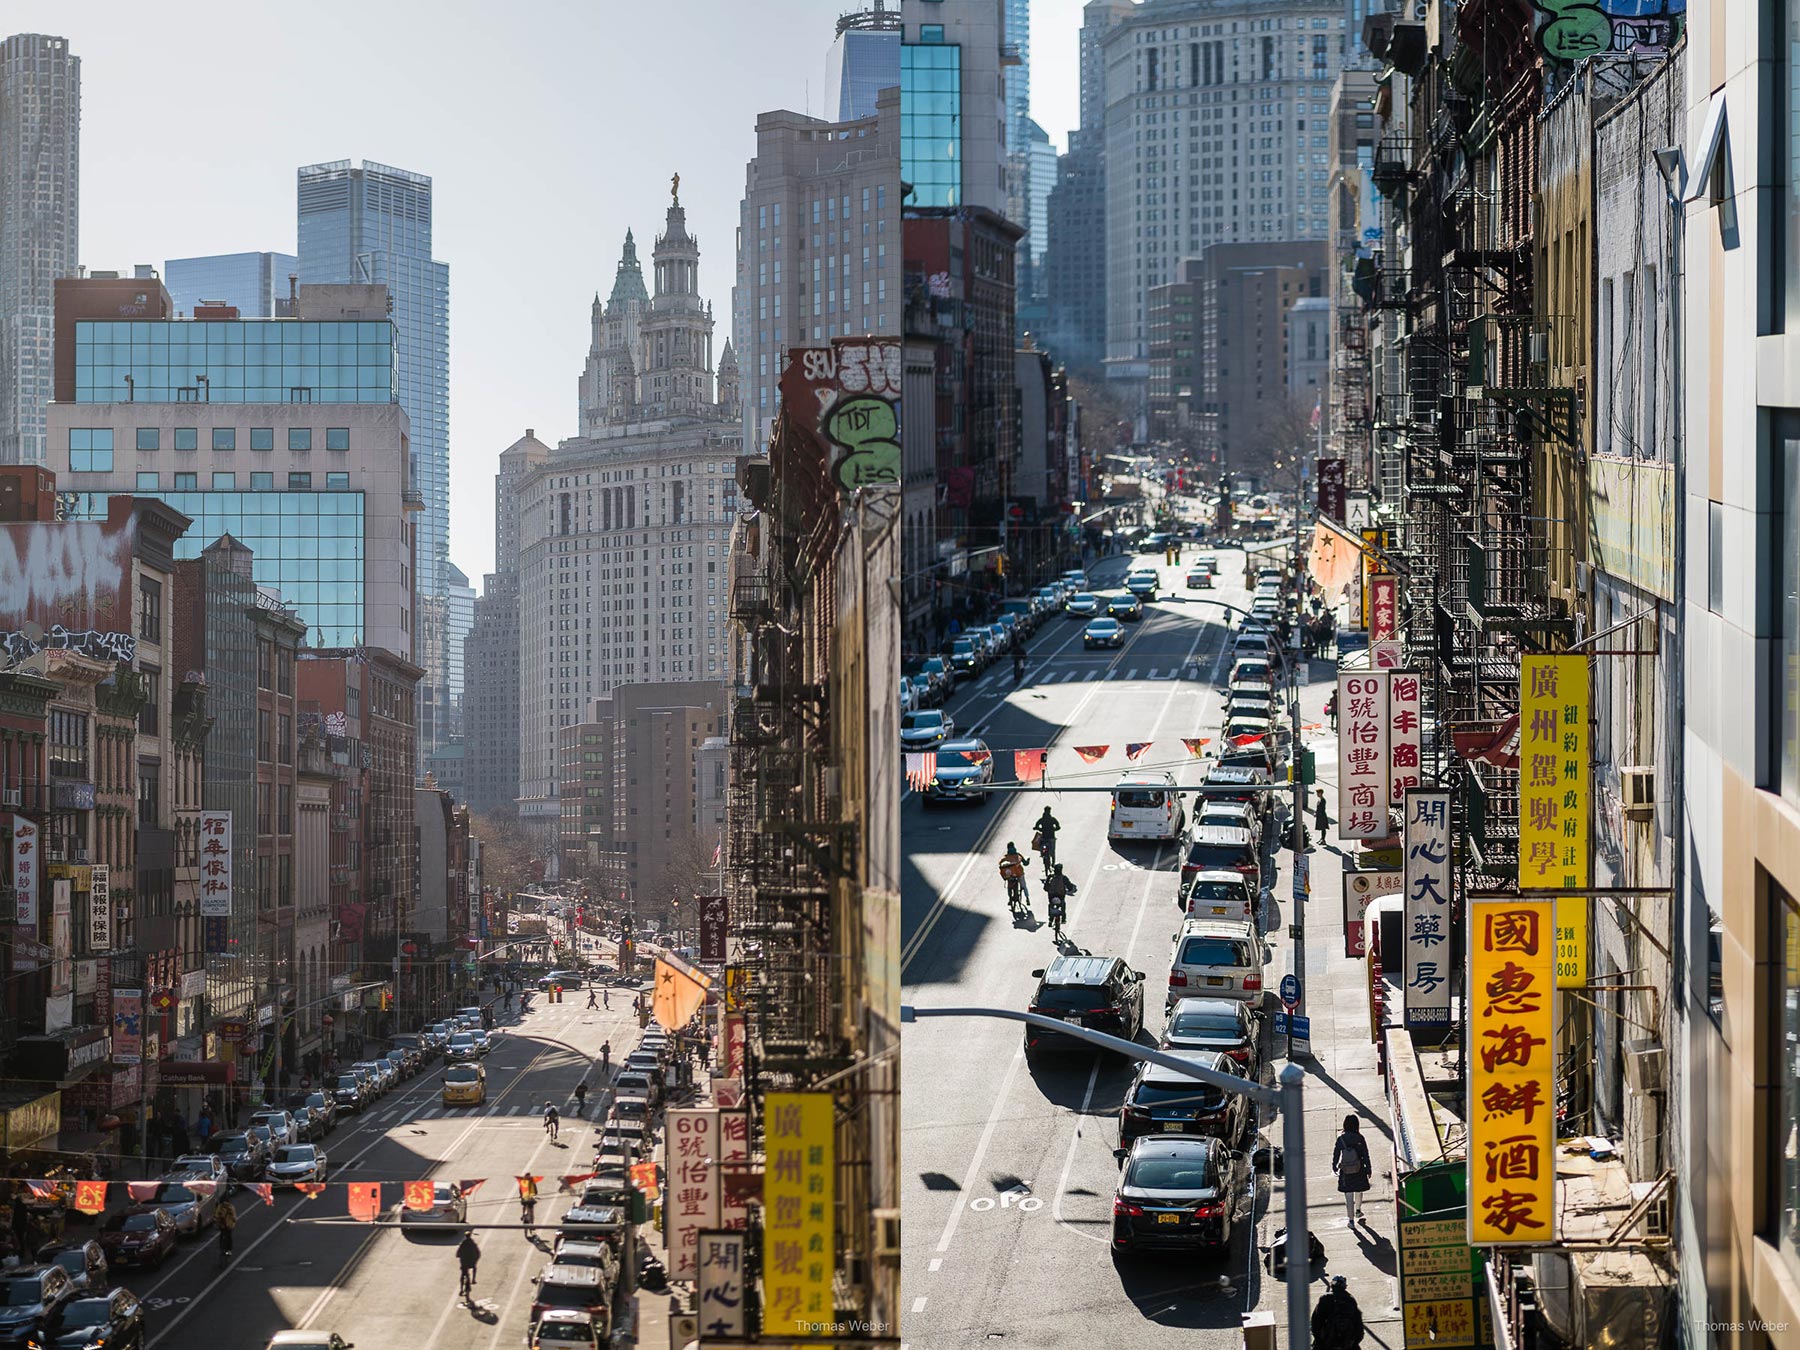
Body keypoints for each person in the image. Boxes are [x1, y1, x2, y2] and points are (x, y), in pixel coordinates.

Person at [1332, 1114, 1372, 1224]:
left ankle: (1351, 1221)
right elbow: (1365, 1154)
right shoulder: (1360, 1138)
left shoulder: (1341, 1139)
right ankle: (1358, 1210)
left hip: (1346, 1171)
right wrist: (1368, 1169)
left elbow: (1336, 1154)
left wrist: (1334, 1165)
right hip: (1359, 1169)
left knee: (1348, 1195)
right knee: (1359, 1190)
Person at [1311, 1275, 1365, 1349]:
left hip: (1327, 1340)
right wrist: (1355, 1342)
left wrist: (1318, 1339)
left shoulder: (1325, 1298)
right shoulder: (1350, 1300)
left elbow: (1316, 1321)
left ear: (1332, 1285)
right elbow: (1358, 1324)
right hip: (1346, 1341)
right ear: (1344, 1287)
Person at [1044, 865, 1076, 933]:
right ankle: (1063, 918)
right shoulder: (1064, 878)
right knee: (1062, 904)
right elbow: (1070, 887)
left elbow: (1045, 887)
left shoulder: (1050, 876)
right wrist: (1070, 889)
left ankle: (1050, 919)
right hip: (1060, 896)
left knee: (1051, 905)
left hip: (1051, 896)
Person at [998, 843, 1029, 911]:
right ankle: (1027, 898)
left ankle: (1010, 899)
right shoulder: (1018, 855)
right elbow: (1025, 863)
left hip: (1010, 875)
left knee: (1009, 887)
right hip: (1019, 874)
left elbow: (1000, 864)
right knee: (1023, 885)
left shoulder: (1005, 858)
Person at [1033, 806, 1060, 871]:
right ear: (1050, 811)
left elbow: (1036, 826)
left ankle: (1043, 854)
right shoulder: (1053, 819)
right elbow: (1058, 827)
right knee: (1052, 852)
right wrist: (1054, 829)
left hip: (1044, 837)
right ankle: (1053, 864)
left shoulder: (1041, 820)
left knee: (1041, 846)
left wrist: (1039, 829)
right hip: (1051, 837)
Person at [456, 1232, 481, 1297]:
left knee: (463, 1274)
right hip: (471, 1262)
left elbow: (458, 1253)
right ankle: (473, 1279)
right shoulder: (473, 1244)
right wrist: (475, 1259)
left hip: (464, 1262)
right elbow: (478, 1253)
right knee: (474, 1268)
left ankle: (461, 1289)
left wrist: (459, 1256)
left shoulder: (462, 1244)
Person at [215, 1196, 238, 1262]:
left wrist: (216, 1221)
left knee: (222, 1235)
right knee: (229, 1237)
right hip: (229, 1225)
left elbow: (217, 1215)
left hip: (222, 1225)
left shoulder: (220, 1207)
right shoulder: (230, 1207)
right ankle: (228, 1250)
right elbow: (234, 1217)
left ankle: (222, 1249)